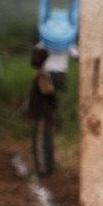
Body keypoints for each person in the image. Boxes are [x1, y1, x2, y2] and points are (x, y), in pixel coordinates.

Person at [27, 48, 58, 177]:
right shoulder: (42, 74)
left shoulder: (42, 75)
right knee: (46, 139)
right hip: (44, 113)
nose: (32, 58)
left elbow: (48, 93)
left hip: (42, 114)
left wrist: (52, 107)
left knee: (40, 141)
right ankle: (48, 167)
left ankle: (43, 169)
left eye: (35, 56)